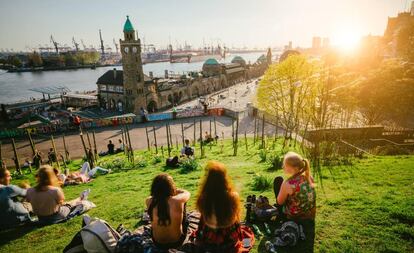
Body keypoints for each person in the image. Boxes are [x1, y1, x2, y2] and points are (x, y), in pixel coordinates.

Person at [195, 161, 249, 252]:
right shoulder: (233, 196)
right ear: (225, 178)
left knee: (203, 217)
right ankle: (243, 241)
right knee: (246, 232)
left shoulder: (203, 197)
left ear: (208, 179)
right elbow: (236, 218)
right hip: (229, 243)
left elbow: (202, 214)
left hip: (208, 242)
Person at [146, 173, 190, 250]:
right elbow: (187, 193)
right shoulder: (177, 201)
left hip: (157, 243)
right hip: (177, 242)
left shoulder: (149, 201)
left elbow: (154, 197)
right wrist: (175, 189)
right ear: (170, 187)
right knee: (184, 204)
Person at [273, 152, 316, 220]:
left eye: (285, 165)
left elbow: (280, 202)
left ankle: (281, 215)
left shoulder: (288, 183)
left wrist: (282, 188)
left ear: (294, 168)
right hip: (309, 214)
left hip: (295, 216)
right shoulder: (309, 177)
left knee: (278, 180)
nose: (283, 167)